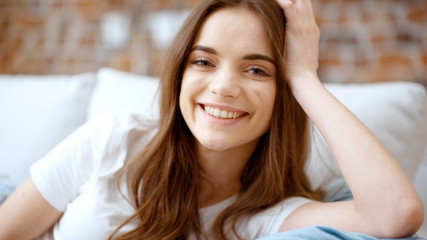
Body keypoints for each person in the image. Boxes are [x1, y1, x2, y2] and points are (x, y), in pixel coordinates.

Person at [0, 0, 424, 239]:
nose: (223, 87)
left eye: (257, 70)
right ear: (180, 74)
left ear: (284, 95)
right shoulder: (117, 138)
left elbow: (396, 214)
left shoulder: (268, 219)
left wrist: (304, 77)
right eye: (204, 62)